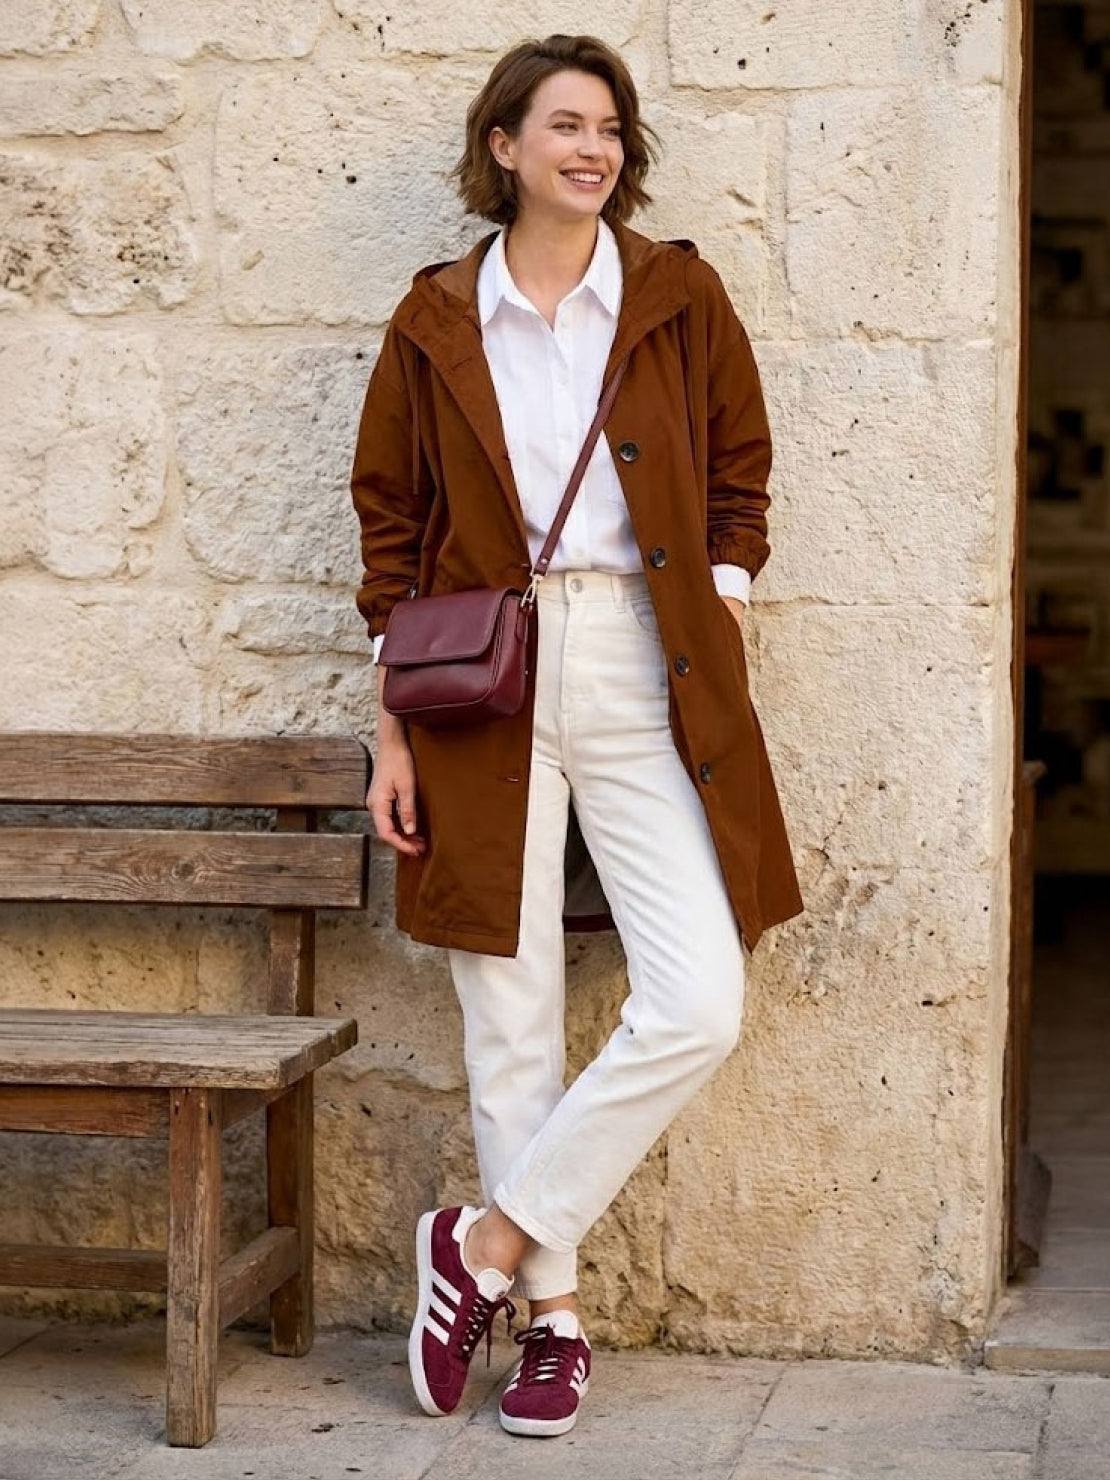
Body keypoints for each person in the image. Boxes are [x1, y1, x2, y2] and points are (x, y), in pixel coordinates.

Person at [349, 33, 804, 1441]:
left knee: (696, 1000)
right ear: (504, 148)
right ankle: (551, 1323)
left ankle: (478, 1245)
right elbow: (389, 524)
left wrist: (715, 592)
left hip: (639, 653)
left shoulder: (670, 293)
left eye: (607, 125)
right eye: (561, 124)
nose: (590, 147)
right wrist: (389, 730)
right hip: (482, 675)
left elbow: (739, 466)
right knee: (510, 1005)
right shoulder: (435, 316)